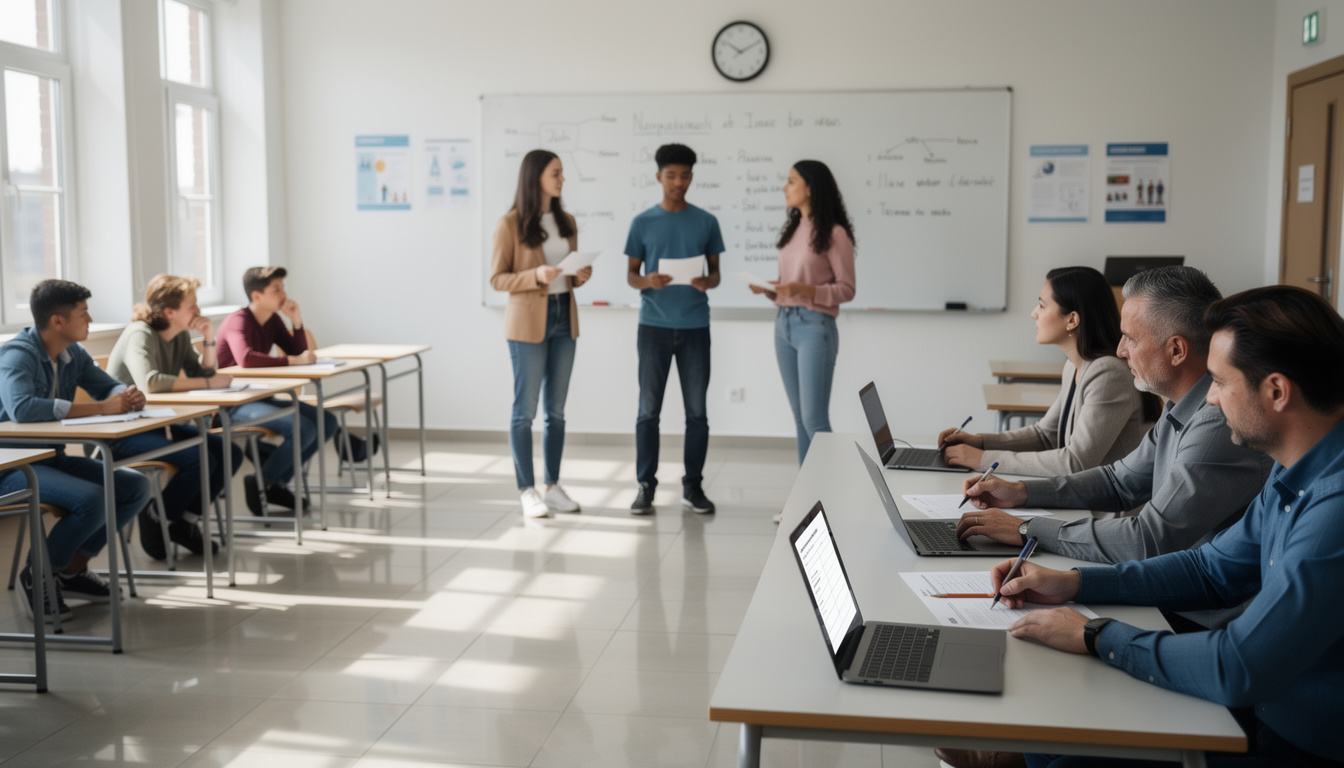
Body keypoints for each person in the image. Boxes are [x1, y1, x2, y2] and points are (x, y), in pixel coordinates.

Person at [996, 285, 1344, 768]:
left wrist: (1097, 635)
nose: (1213, 401)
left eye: (1220, 382)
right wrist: (1073, 583)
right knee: (1051, 728)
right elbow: (1212, 570)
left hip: (1292, 747)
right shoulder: (1294, 468)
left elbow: (1237, 665)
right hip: (1257, 716)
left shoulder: (1333, 510)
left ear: (1277, 392)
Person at [954, 266, 1270, 571]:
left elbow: (1149, 538)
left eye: (1131, 339)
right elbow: (1119, 482)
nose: (1120, 351)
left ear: (1176, 350)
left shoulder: (1217, 424)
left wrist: (1027, 529)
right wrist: (1022, 491)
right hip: (1164, 585)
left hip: (1190, 611)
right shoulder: (1178, 407)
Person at [0, 280, 152, 621]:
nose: (90, 319)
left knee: (134, 487)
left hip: (53, 460)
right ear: (57, 321)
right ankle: (38, 574)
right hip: (14, 467)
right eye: (83, 313)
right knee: (92, 499)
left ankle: (70, 570)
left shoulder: (73, 353)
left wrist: (126, 393)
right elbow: (21, 408)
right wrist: (101, 409)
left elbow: (105, 385)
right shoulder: (17, 354)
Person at [940, 266, 1159, 477]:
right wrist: (979, 441)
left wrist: (983, 459)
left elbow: (1075, 463)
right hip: (1083, 499)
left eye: (1042, 306)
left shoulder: (1108, 373)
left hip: (1107, 513)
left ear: (1072, 320)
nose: (1034, 314)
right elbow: (1045, 435)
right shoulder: (1074, 365)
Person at [106, 274, 243, 559]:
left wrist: (208, 340)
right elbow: (150, 383)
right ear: (169, 312)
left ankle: (181, 521)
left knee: (228, 451)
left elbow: (201, 374)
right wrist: (208, 384)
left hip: (155, 426)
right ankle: (159, 516)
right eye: (192, 305)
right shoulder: (139, 334)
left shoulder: (179, 336)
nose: (198, 311)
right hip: (120, 433)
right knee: (198, 457)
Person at [489, 149, 592, 519]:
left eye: (562, 173)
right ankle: (526, 489)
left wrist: (577, 276)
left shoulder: (567, 221)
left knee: (557, 412)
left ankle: (552, 487)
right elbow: (498, 278)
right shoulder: (510, 224)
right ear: (535, 178)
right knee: (524, 412)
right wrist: (536, 276)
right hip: (528, 323)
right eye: (556, 173)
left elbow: (568, 272)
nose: (562, 179)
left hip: (565, 318)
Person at [625, 143, 724, 516]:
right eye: (671, 176)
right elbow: (631, 277)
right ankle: (645, 487)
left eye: (684, 176)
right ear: (658, 177)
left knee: (697, 412)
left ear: (692, 177)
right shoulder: (642, 223)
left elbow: (715, 274)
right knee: (648, 411)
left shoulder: (706, 222)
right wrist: (648, 280)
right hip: (653, 327)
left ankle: (693, 486)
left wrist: (706, 282)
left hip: (696, 326)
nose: (678, 182)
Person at [750, 160, 856, 466]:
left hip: (814, 326)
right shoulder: (795, 228)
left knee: (815, 421)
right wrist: (772, 288)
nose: (785, 187)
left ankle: (830, 498)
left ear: (810, 188)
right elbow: (792, 285)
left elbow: (847, 289)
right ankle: (805, 500)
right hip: (784, 325)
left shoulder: (835, 234)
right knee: (800, 420)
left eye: (792, 181)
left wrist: (805, 290)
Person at [215, 266, 345, 515]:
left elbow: (296, 351)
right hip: (234, 404)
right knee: (302, 428)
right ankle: (265, 482)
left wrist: (296, 320)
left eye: (283, 288)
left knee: (326, 421)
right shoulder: (238, 321)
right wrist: (295, 361)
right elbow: (247, 358)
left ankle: (271, 481)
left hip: (261, 397)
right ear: (256, 296)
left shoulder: (272, 320)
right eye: (276, 289)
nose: (283, 294)